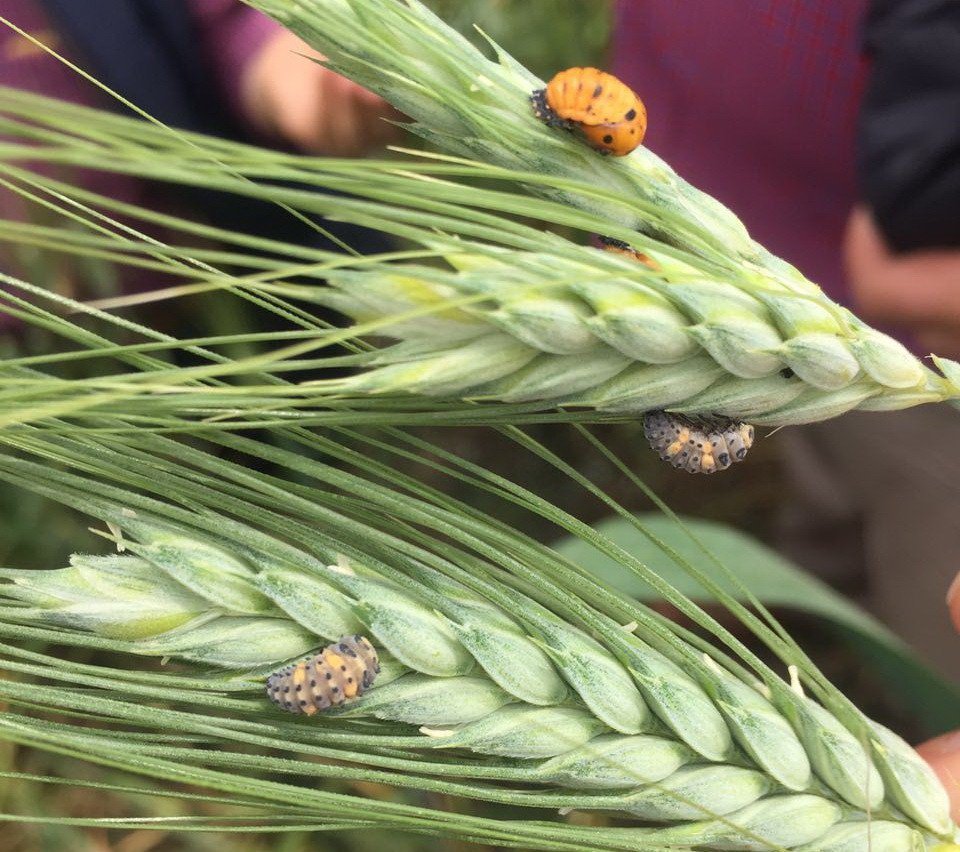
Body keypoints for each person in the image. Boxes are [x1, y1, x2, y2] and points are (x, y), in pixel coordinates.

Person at [612, 0, 960, 814]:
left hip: (903, 360)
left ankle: (908, 672)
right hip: (795, 300)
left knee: (929, 589)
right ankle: (808, 583)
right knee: (822, 480)